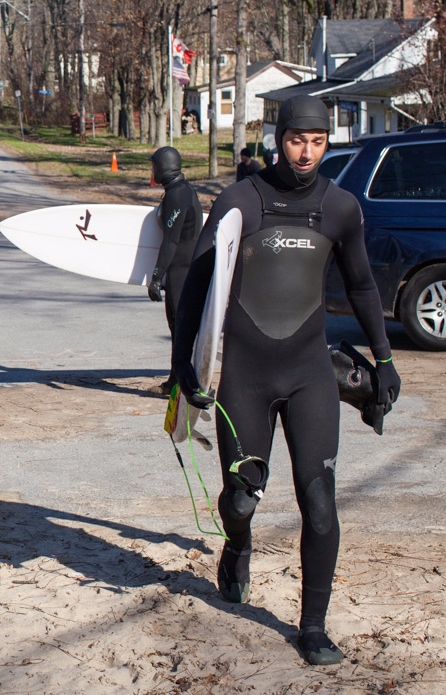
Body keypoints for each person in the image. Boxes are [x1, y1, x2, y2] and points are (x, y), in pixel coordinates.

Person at [171, 95, 400, 666]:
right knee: (241, 499)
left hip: (309, 375)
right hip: (245, 376)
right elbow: (197, 284)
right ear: (280, 139)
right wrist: (183, 363)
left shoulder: (340, 207)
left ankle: (313, 626)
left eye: (317, 142)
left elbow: (362, 286)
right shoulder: (240, 201)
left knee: (319, 501)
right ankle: (238, 546)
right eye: (297, 140)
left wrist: (384, 358)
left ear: (327, 142)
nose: (306, 152)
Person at [147, 146, 203, 395]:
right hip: (183, 267)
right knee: (178, 328)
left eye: (153, 167)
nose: (152, 171)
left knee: (180, 328)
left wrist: (156, 277)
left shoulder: (177, 195)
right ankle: (177, 379)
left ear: (163, 167)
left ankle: (180, 384)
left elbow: (171, 241)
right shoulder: (180, 190)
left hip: (182, 270)